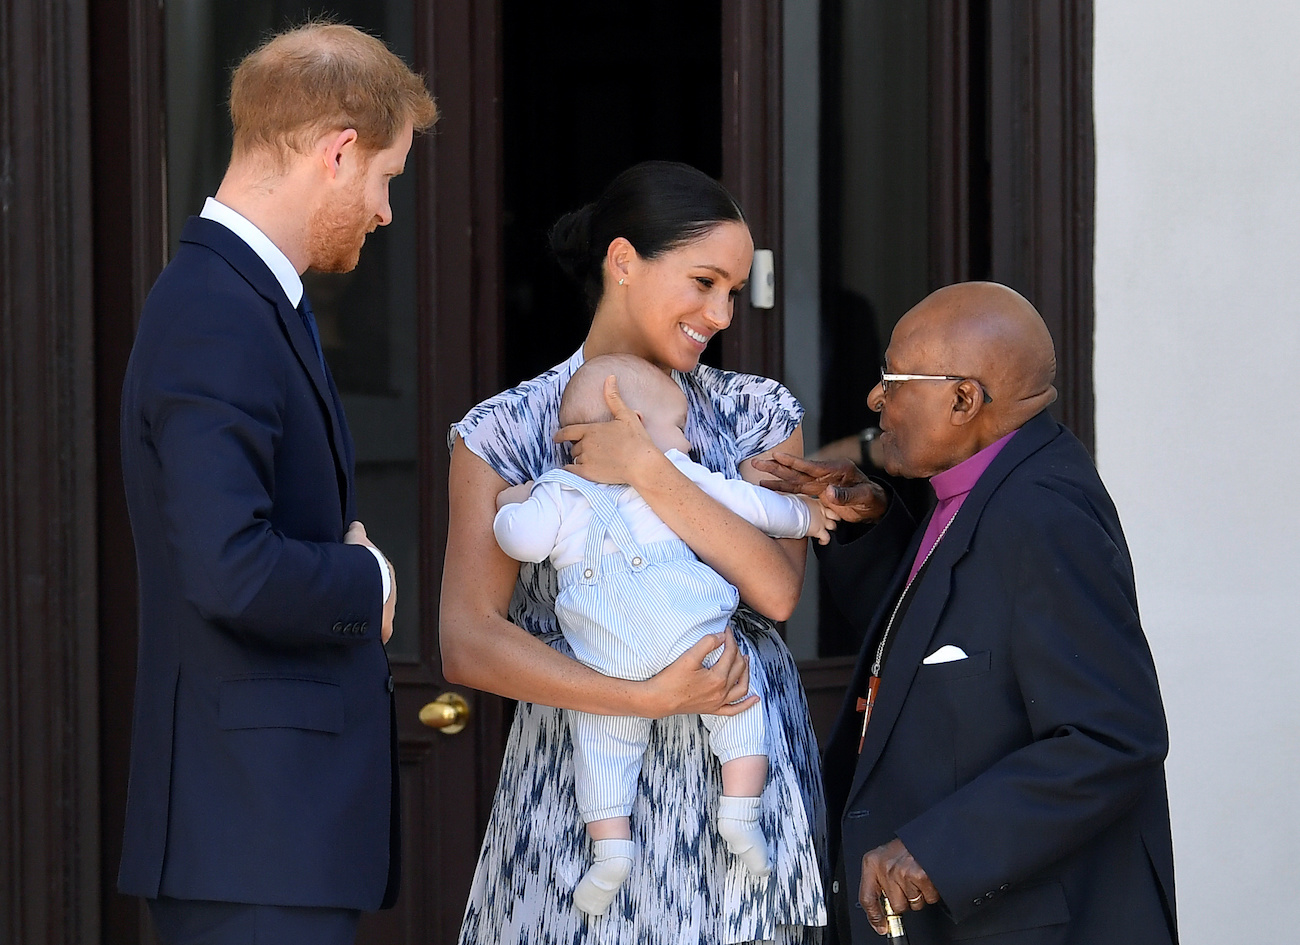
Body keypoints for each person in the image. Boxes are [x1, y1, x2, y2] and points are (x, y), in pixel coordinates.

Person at [441, 161, 828, 944]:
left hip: (737, 799)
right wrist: (643, 700)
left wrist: (648, 469)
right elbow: (467, 641)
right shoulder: (504, 431)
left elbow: (778, 592)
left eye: (733, 288)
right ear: (622, 262)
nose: (721, 311)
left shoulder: (756, 412)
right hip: (581, 796)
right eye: (704, 281)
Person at [117, 23, 437, 945]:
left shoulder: (246, 301)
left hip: (266, 838)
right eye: (386, 179)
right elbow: (230, 568)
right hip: (247, 840)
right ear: (339, 153)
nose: (383, 211)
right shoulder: (217, 309)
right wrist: (366, 582)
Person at [756, 282, 1177, 945]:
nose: (874, 399)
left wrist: (940, 849)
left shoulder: (1044, 513)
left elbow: (1113, 734)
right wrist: (874, 530)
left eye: (893, 379)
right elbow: (948, 656)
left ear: (962, 398)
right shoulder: (975, 489)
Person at [493, 353, 835, 915]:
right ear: (634, 423)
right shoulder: (681, 475)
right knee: (740, 710)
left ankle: (610, 856)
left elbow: (522, 542)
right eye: (679, 427)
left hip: (605, 662)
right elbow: (754, 507)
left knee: (600, 757)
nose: (691, 444)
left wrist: (511, 505)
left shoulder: (556, 493)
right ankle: (740, 813)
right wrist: (806, 518)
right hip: (691, 636)